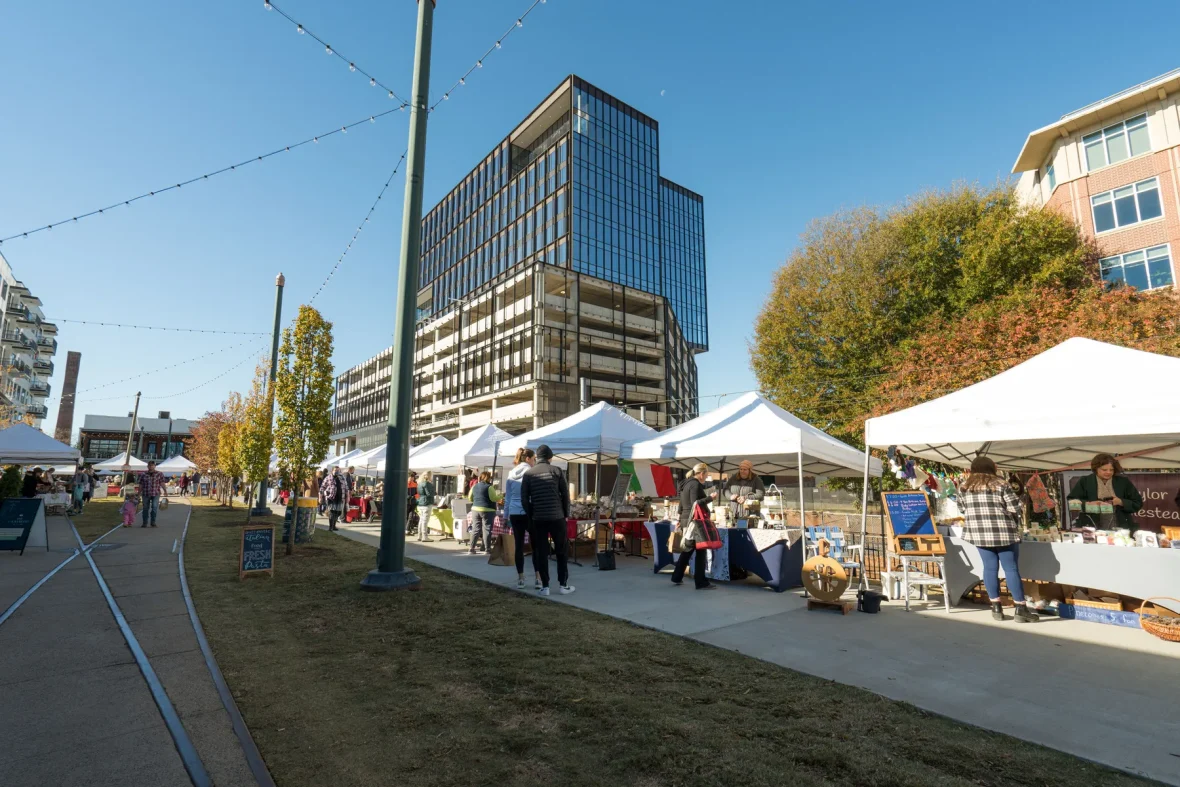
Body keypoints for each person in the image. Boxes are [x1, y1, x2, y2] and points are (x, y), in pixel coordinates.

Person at [959, 456, 1037, 623]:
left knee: (989, 568)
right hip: (1003, 532)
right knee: (1011, 569)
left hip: (979, 533)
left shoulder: (965, 487)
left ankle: (996, 608)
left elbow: (961, 508)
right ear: (991, 468)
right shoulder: (1001, 484)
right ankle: (1021, 609)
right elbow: (1013, 508)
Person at [522, 444, 574, 596]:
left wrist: (531, 513)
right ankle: (563, 585)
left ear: (537, 458)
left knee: (541, 552)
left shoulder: (529, 474)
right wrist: (566, 513)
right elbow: (565, 495)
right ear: (550, 458)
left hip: (538, 518)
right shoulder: (556, 471)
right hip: (557, 517)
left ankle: (545, 586)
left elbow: (524, 499)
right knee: (561, 551)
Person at [1067, 453, 1144, 532]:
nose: (1108, 472)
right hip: (1091, 527)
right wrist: (1089, 504)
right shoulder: (1085, 481)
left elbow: (1138, 503)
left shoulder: (1123, 482)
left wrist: (1121, 502)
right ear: (1096, 468)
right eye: (1104, 470)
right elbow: (1072, 501)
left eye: (1111, 470)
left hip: (1120, 528)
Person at [671, 463, 718, 590]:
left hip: (687, 520)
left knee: (688, 550)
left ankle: (677, 576)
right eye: (706, 474)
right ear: (701, 473)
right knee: (700, 551)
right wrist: (710, 498)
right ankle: (700, 582)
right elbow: (695, 504)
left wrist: (680, 519)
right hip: (695, 522)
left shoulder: (686, 484)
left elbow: (681, 504)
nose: (706, 477)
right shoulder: (695, 484)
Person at [505, 448, 540, 589]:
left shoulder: (510, 473)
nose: (534, 461)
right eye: (534, 459)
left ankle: (521, 578)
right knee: (536, 545)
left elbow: (507, 498)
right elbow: (535, 495)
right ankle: (538, 578)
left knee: (518, 546)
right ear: (528, 459)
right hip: (529, 511)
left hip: (514, 511)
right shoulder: (531, 473)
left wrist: (505, 516)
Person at [467, 470, 502, 555]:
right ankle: (487, 549)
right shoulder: (489, 487)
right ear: (488, 478)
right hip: (488, 510)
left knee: (476, 529)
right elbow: (493, 498)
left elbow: (470, 498)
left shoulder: (474, 486)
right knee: (487, 529)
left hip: (475, 510)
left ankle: (471, 548)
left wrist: (476, 501)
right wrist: (501, 496)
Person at [138, 460, 166, 528]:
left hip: (155, 493)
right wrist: (138, 493)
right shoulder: (143, 474)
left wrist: (165, 491)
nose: (151, 467)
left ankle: (153, 522)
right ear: (147, 466)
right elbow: (141, 484)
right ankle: (145, 523)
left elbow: (162, 483)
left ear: (155, 466)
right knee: (145, 508)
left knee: (154, 508)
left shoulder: (159, 474)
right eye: (150, 465)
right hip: (145, 493)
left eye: (152, 465)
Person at [321, 466, 346, 531]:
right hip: (331, 498)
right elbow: (322, 487)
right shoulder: (328, 477)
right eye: (335, 470)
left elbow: (346, 487)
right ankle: (330, 527)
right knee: (332, 512)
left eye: (338, 470)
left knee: (338, 512)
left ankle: (334, 526)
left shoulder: (342, 478)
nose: (337, 471)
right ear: (332, 471)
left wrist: (347, 496)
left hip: (340, 497)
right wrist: (322, 495)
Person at [417, 471, 436, 543]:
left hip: (420, 502)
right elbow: (429, 494)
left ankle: (419, 535)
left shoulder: (419, 483)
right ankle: (424, 536)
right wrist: (434, 492)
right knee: (425, 520)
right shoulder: (427, 484)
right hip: (427, 503)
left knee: (421, 520)